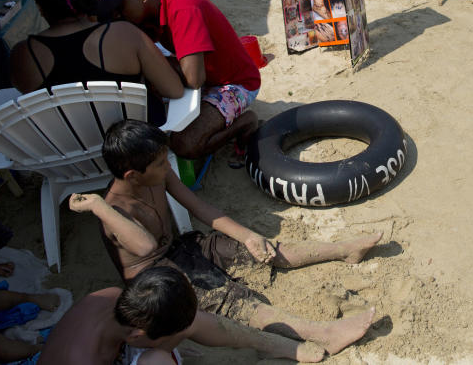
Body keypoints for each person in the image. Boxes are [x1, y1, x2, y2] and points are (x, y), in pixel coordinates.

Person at [69, 120, 381, 356]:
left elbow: (198, 206)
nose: (167, 166)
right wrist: (98, 206)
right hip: (157, 279)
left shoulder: (157, 171)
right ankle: (321, 333)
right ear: (132, 176)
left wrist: (248, 236)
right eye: (160, 163)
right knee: (236, 302)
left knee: (258, 250)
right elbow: (146, 246)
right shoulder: (113, 211)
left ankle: (342, 250)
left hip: (182, 247)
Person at [95, 0, 259, 163]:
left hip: (234, 84)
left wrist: (148, 60)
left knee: (185, 144)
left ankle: (244, 123)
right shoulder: (152, 7)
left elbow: (194, 79)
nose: (117, 16)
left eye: (119, 9)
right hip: (206, 79)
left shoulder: (182, 5)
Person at [9, 0, 185, 127]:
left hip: (70, 151)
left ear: (40, 7)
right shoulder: (124, 34)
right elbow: (174, 90)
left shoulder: (24, 55)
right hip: (138, 143)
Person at [37, 266, 327, 364]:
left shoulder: (116, 297)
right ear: (138, 336)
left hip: (121, 344)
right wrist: (163, 349)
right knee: (158, 360)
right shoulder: (83, 359)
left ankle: (276, 344)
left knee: (193, 321)